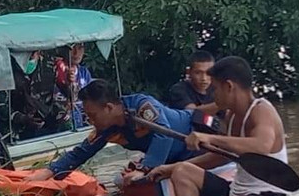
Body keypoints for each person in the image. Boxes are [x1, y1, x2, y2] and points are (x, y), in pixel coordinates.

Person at [149, 56, 289, 196]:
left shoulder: (262, 111)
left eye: (215, 89)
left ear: (229, 86)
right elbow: (221, 157)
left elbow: (261, 147)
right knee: (181, 170)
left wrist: (210, 138)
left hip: (269, 194)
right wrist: (170, 168)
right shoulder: (231, 115)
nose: (213, 95)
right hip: (236, 192)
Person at [25, 79, 200, 186]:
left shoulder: (141, 106)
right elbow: (82, 152)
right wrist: (48, 172)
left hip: (195, 140)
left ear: (108, 108)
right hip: (172, 160)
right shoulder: (107, 129)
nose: (91, 121)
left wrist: (144, 169)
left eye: (93, 116)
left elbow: (164, 134)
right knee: (120, 182)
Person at [167, 50, 221, 120]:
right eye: (198, 73)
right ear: (189, 72)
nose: (204, 78)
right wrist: (222, 104)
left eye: (208, 73)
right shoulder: (179, 89)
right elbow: (192, 113)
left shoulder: (216, 90)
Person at [54, 43, 93, 128]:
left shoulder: (84, 72)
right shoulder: (55, 72)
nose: (76, 53)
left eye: (80, 48)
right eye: (72, 48)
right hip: (60, 127)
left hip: (82, 125)